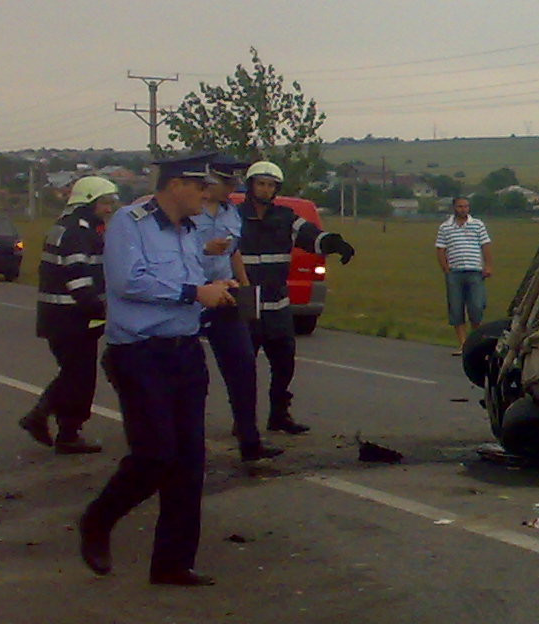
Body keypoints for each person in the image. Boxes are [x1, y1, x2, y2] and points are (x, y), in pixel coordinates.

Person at [76, 155, 241, 587]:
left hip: (184, 351)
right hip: (140, 353)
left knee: (189, 462)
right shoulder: (130, 223)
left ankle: (172, 562)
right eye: (200, 187)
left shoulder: (190, 230)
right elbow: (128, 281)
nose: (207, 195)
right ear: (175, 185)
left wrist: (216, 288)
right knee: (154, 454)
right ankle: (98, 519)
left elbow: (193, 279)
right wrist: (193, 293)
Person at [234, 161, 355, 435]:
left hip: (278, 303)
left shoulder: (286, 217)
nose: (265, 190)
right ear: (250, 185)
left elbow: (312, 236)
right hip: (247, 300)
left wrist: (335, 243)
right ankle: (242, 421)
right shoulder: (234, 217)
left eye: (271, 185)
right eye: (260, 184)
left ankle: (279, 415)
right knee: (243, 367)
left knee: (284, 364)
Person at [19, 176, 121, 455]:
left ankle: (46, 419)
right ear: (87, 201)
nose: (109, 209)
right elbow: (78, 280)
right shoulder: (78, 232)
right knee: (79, 377)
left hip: (63, 317)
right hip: (71, 317)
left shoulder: (70, 226)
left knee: (74, 373)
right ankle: (63, 431)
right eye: (104, 203)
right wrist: (102, 310)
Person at [193, 166, 279, 463]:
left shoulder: (231, 213)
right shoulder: (190, 211)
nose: (232, 187)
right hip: (193, 294)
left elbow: (233, 251)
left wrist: (244, 284)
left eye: (234, 182)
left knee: (243, 365)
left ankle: (249, 441)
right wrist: (204, 248)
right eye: (226, 181)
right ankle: (185, 444)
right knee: (190, 374)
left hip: (226, 294)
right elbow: (172, 251)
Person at [436, 197, 493, 352]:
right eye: (460, 206)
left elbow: (485, 245)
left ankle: (475, 340)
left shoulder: (477, 224)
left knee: (476, 306)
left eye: (466, 206)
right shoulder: (445, 227)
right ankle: (463, 343)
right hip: (455, 272)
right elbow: (440, 249)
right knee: (456, 308)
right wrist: (446, 269)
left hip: (474, 270)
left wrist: (488, 265)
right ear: (454, 208)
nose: (463, 209)